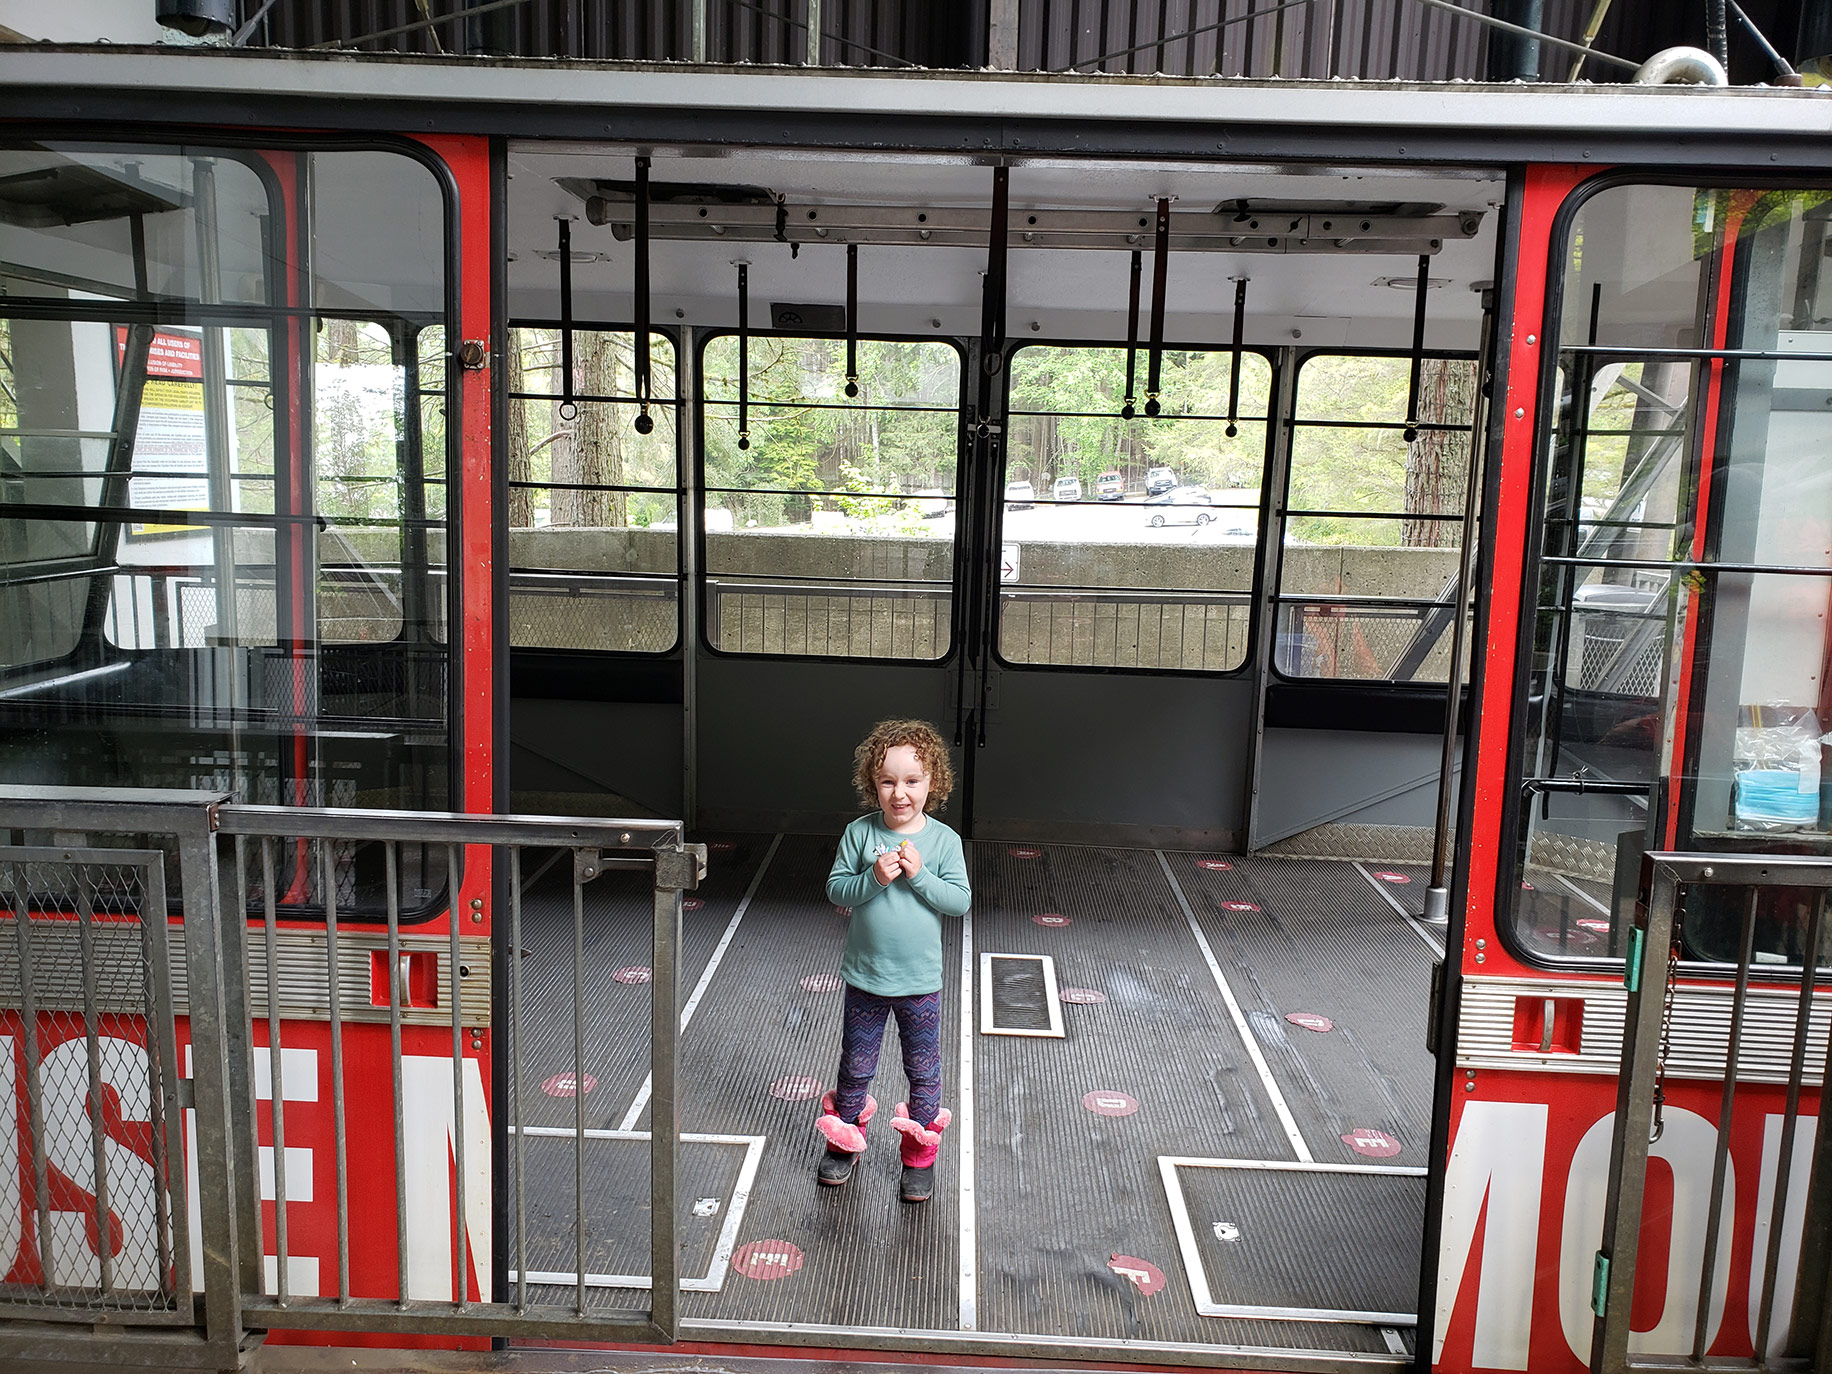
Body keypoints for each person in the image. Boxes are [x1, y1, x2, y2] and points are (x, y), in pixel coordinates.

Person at [815, 719, 971, 1203]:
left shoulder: (943, 842)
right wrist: (873, 879)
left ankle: (919, 1156)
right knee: (856, 1066)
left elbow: (959, 901)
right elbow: (836, 889)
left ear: (933, 784)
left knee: (923, 1070)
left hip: (920, 982)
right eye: (887, 781)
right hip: (865, 977)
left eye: (912, 781)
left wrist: (920, 876)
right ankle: (845, 1141)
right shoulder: (860, 834)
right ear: (872, 785)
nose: (899, 793)